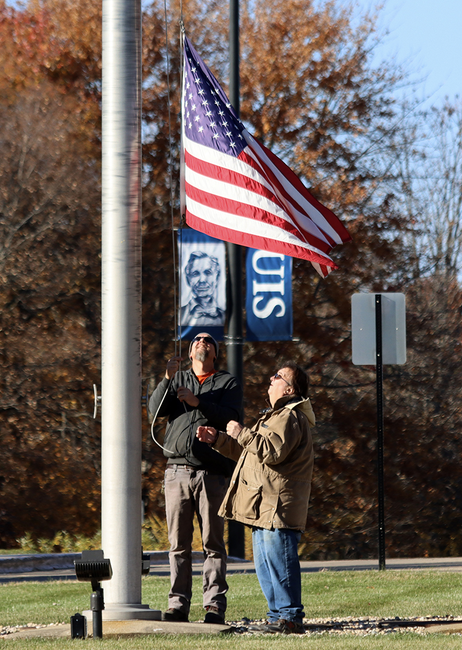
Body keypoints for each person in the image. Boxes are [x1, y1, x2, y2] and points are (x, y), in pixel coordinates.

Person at [196, 362, 314, 634]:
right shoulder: (275, 417)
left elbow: (271, 452)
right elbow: (253, 455)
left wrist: (241, 432)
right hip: (264, 508)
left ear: (290, 388)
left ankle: (290, 618)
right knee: (266, 567)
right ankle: (277, 617)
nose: (271, 379)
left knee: (279, 564)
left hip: (277, 507)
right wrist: (219, 441)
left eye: (278, 376)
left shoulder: (289, 417)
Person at [149, 333, 243, 624]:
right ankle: (178, 605)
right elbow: (155, 411)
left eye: (208, 341)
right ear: (189, 354)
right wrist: (167, 378)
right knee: (178, 544)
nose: (202, 341)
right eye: (196, 341)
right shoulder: (178, 379)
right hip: (176, 472)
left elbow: (231, 416)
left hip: (212, 473)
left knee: (213, 543)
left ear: (215, 354)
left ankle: (214, 605)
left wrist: (197, 401)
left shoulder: (227, 382)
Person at [178, 251, 224, 327]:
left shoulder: (227, 317)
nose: (202, 280)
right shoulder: (180, 314)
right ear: (188, 279)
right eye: (195, 274)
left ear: (217, 277)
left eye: (208, 273)